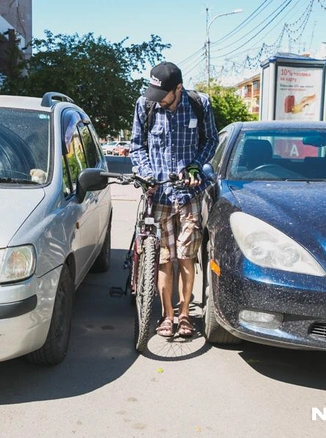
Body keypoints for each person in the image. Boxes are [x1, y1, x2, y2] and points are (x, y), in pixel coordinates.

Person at [129, 61, 219, 338]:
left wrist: (195, 166)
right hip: (159, 196)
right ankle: (167, 316)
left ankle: (185, 315)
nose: (158, 101)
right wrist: (146, 175)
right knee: (165, 259)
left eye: (164, 95)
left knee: (186, 257)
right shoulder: (145, 105)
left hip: (189, 194)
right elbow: (136, 145)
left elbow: (210, 141)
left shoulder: (198, 103)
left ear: (178, 88)